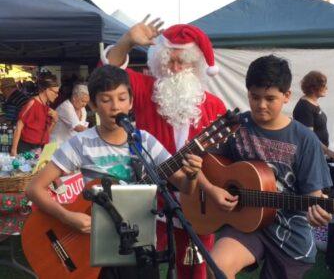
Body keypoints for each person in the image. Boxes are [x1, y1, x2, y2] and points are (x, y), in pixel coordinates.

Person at [25, 65, 203, 278]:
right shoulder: (82, 143)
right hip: (97, 248)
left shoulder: (144, 141)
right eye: (106, 99)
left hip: (140, 247)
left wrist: (192, 176)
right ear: (93, 104)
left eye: (121, 98)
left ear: (131, 102)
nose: (115, 107)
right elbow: (34, 188)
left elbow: (184, 186)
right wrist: (67, 217)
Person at [104, 17, 229, 279]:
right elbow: (108, 76)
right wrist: (126, 41)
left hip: (196, 206)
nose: (173, 68)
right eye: (168, 61)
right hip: (148, 203)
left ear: (194, 65)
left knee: (194, 272)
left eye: (181, 62)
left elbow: (222, 163)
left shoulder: (215, 107)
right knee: (139, 269)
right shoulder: (146, 91)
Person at [204, 55, 333, 279]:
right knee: (217, 268)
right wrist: (212, 189)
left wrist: (318, 212)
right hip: (245, 224)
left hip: (289, 233)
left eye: (270, 98)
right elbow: (201, 163)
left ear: (286, 96)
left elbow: (315, 195)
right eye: (255, 97)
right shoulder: (236, 127)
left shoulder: (304, 139)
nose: (261, 105)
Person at [293, 71, 334, 160]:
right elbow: (309, 136)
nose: (326, 88)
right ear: (314, 88)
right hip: (310, 155)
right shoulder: (305, 107)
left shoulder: (313, 103)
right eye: (323, 85)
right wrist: (328, 151)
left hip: (318, 153)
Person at [10, 73, 59, 156]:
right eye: (55, 92)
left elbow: (47, 133)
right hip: (26, 147)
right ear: (47, 90)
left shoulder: (46, 105)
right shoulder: (32, 103)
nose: (57, 95)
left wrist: (54, 121)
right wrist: (13, 149)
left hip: (39, 148)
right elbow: (19, 126)